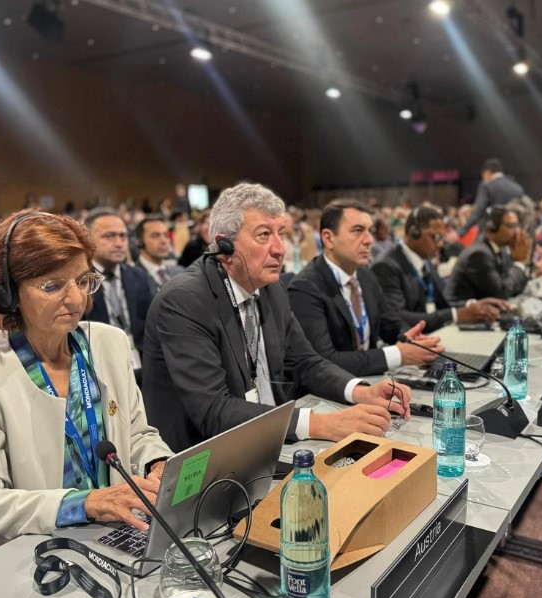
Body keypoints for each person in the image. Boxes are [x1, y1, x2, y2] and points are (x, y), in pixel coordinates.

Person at [0, 210, 172, 564]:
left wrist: (158, 464)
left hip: (115, 532)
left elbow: (138, 435)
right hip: (25, 551)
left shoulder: (109, 344)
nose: (77, 299)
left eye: (83, 281)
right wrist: (86, 503)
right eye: (52, 286)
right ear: (7, 293)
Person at [142, 183, 411, 453]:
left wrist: (360, 390)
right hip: (207, 458)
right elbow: (215, 410)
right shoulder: (185, 300)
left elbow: (305, 361)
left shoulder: (271, 288)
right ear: (225, 247)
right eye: (263, 235)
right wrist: (322, 424)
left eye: (280, 233)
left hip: (272, 441)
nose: (280, 248)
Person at [288, 199, 443, 376]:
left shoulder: (365, 275)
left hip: (373, 379)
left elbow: (390, 324)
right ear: (328, 238)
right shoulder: (305, 288)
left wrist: (410, 339)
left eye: (369, 230)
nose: (369, 240)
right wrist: (397, 355)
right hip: (333, 389)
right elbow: (323, 361)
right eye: (357, 231)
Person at [374, 205, 508, 333]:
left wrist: (473, 305)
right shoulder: (386, 266)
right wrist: (456, 315)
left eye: (442, 238)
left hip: (432, 334)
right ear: (414, 233)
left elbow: (443, 303)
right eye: (435, 237)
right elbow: (398, 318)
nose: (440, 244)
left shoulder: (426, 262)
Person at [82, 206, 153, 357]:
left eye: (123, 236)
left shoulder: (139, 276)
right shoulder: (80, 282)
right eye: (109, 236)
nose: (119, 243)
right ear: (87, 240)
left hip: (139, 360)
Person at [445, 205, 531, 303]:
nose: (517, 232)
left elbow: (515, 288)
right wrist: (519, 263)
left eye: (517, 226)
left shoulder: (501, 250)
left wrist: (523, 263)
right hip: (461, 310)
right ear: (492, 228)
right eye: (511, 226)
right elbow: (502, 293)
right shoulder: (478, 254)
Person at [458, 158, 525, 238]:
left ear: (487, 172)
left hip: (492, 234)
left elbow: (478, 212)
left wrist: (461, 232)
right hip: (513, 235)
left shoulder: (486, 186)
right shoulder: (518, 188)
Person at [135, 214, 183, 298]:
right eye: (155, 236)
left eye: (166, 235)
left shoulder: (180, 272)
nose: (164, 241)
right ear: (140, 242)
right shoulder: (131, 278)